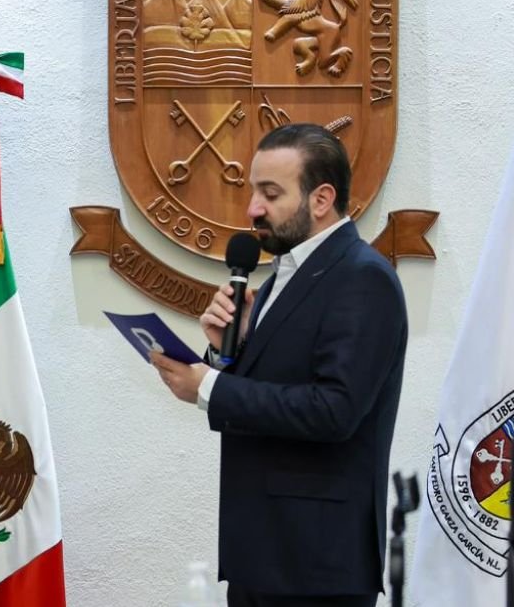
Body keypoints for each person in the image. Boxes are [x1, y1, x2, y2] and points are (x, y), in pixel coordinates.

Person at [151, 124, 407, 607]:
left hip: (317, 565)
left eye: (270, 193)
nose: (252, 209)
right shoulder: (280, 276)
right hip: (262, 554)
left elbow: (335, 410)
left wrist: (209, 387)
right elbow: (281, 384)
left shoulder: (362, 277)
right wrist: (227, 353)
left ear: (321, 199)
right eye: (253, 191)